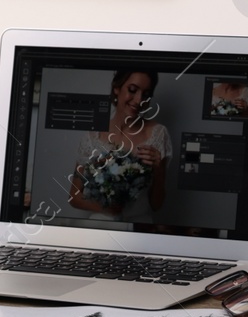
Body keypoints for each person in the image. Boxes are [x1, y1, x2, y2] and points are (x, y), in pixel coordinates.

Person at [67, 70, 170, 223]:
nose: (138, 99)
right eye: (132, 90)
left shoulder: (158, 134)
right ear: (117, 88)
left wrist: (159, 171)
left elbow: (156, 205)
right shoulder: (92, 138)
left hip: (139, 227)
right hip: (102, 226)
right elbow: (74, 197)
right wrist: (106, 208)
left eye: (146, 94)